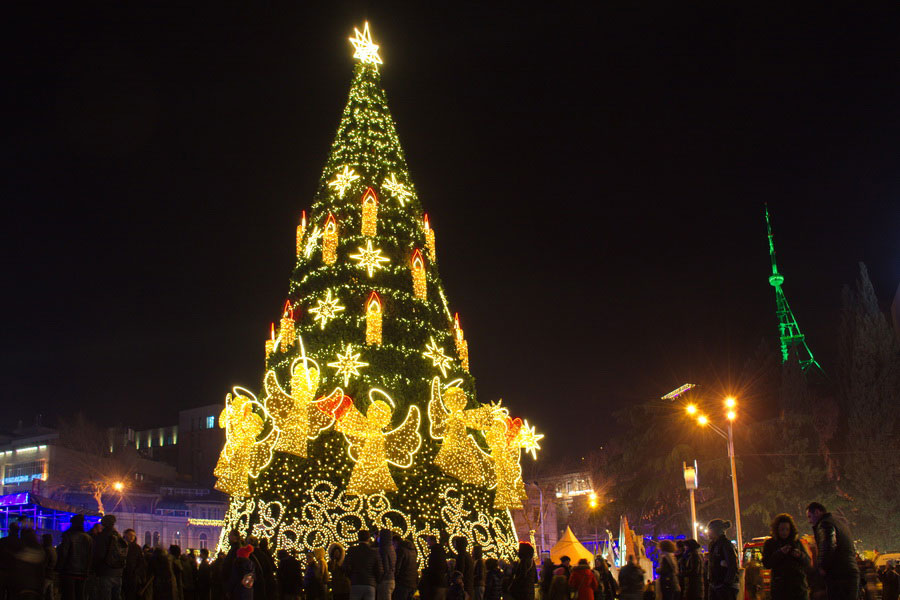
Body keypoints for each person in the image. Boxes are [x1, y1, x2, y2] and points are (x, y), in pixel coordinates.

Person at [805, 503, 858, 600]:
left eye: (810, 517)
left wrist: (822, 567)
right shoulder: (839, 523)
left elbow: (828, 545)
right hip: (849, 572)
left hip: (839, 575)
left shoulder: (825, 525)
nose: (809, 521)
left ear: (817, 512)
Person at [762, 514, 811, 600]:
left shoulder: (796, 543)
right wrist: (780, 553)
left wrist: (800, 555)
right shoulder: (770, 544)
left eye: (787, 529)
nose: (784, 532)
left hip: (798, 587)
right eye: (782, 529)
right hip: (781, 588)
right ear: (777, 530)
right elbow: (767, 563)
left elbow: (807, 561)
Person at [57, 516, 93, 600]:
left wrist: (59, 568)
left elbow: (63, 553)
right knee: (80, 595)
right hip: (82, 572)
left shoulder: (68, 535)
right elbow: (90, 556)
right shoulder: (88, 538)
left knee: (68, 595)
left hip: (68, 571)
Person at [93, 515, 128, 600]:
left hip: (105, 572)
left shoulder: (102, 536)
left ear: (104, 523)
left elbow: (99, 555)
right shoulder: (118, 536)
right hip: (118, 572)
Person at [343, 531, 382, 600]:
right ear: (369, 539)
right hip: (370, 584)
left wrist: (350, 577)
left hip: (356, 582)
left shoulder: (352, 550)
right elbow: (378, 569)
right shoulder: (374, 552)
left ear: (358, 538)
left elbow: (346, 566)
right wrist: (377, 581)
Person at [706, 520, 739, 600]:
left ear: (716, 531)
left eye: (709, 530)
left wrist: (726, 584)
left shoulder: (725, 545)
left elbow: (732, 566)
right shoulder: (713, 545)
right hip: (715, 584)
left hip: (723, 586)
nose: (707, 533)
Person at [13, 528, 46, 600]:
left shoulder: (19, 549)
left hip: (22, 585)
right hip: (35, 586)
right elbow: (41, 570)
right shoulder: (40, 550)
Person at [122, 529, 145, 600]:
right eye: (130, 535)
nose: (132, 537)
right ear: (125, 535)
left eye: (133, 536)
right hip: (122, 574)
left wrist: (136, 572)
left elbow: (141, 562)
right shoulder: (121, 546)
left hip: (133, 576)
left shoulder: (137, 548)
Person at [377, 531, 396, 600]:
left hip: (385, 581)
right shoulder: (392, 548)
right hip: (391, 579)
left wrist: (380, 578)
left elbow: (385, 566)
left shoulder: (383, 549)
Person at [42, 534, 57, 600]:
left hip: (46, 575)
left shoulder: (47, 550)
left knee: (42, 594)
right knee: (50, 595)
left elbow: (44, 564)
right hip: (51, 575)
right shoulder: (53, 550)